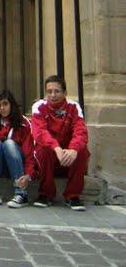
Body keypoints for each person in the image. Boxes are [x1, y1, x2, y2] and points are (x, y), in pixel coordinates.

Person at [31, 75, 89, 211]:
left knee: (82, 151)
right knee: (43, 149)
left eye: (57, 91)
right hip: (51, 154)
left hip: (68, 156)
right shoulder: (39, 107)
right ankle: (46, 193)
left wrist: (74, 149)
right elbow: (40, 133)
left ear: (65, 93)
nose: (52, 95)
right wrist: (56, 147)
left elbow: (80, 131)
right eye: (49, 91)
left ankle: (73, 195)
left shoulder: (74, 107)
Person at [0, 89, 36, 208]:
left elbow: (30, 152)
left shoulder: (23, 123)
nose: (2, 108)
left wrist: (29, 174)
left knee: (9, 144)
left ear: (11, 104)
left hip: (17, 165)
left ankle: (21, 193)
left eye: (5, 104)